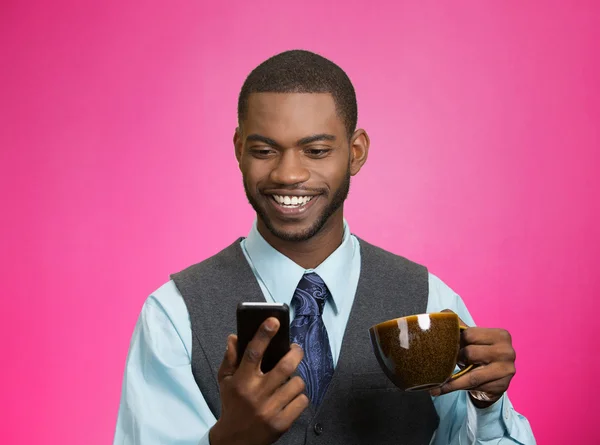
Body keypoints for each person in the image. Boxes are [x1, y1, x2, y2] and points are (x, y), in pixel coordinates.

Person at [114, 50, 535, 445]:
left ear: (355, 153)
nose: (289, 173)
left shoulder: (429, 301)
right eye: (264, 150)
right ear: (240, 150)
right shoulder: (174, 315)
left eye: (315, 150)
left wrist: (488, 404)